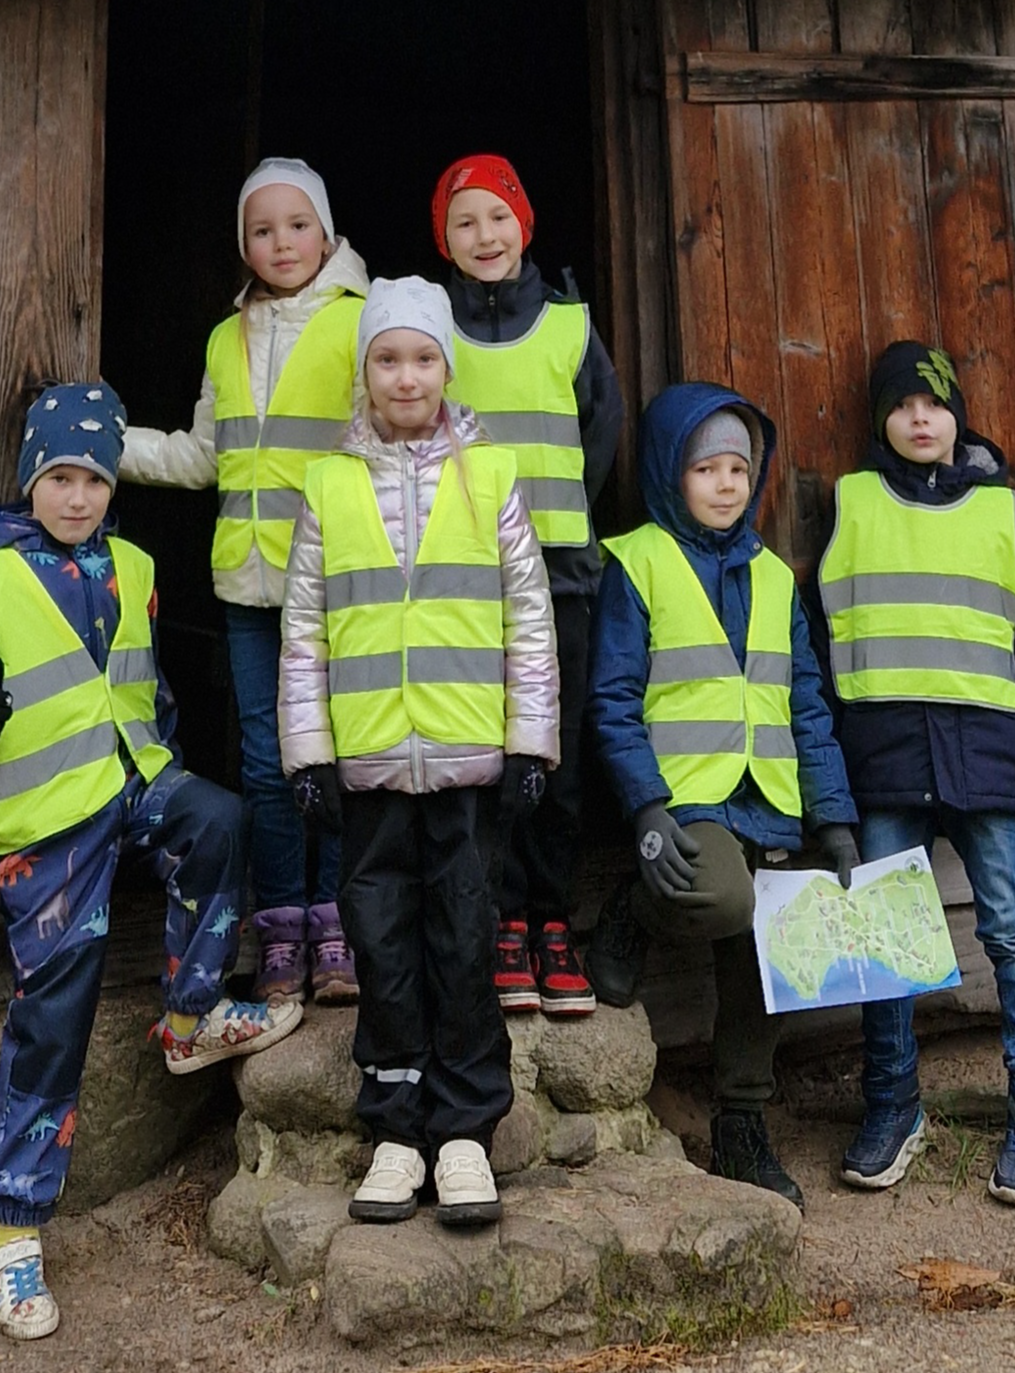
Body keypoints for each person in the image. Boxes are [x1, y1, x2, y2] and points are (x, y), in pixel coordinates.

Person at [0, 383, 301, 1339]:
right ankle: (12, 1232)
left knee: (217, 818)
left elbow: (145, 683)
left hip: (134, 783)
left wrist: (163, 749)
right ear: (30, 482)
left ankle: (189, 1012)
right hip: (49, 822)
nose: (77, 495)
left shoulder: (134, 563)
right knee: (54, 1012)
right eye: (58, 477)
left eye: (91, 476)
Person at [278, 277, 559, 1228]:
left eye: (423, 358)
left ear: (447, 367)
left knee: (465, 938)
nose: (407, 377)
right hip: (368, 768)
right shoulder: (329, 483)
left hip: (470, 763)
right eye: (388, 359)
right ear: (364, 373)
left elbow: (530, 615)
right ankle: (397, 1129)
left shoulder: (492, 474)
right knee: (382, 943)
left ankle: (466, 1132)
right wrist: (308, 752)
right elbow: (303, 628)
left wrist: (531, 740)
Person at [818, 341, 1015, 1206]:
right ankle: (892, 1104)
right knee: (888, 944)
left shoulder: (1000, 512)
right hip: (886, 756)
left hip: (984, 757)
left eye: (933, 404)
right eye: (901, 406)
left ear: (957, 414)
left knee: (1008, 930)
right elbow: (816, 645)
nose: (919, 419)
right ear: (882, 421)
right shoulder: (849, 504)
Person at [580, 383, 858, 1212]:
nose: (728, 482)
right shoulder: (637, 561)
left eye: (740, 466)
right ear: (672, 472)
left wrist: (835, 819)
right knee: (725, 895)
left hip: (768, 797)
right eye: (707, 466)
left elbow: (806, 702)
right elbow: (612, 698)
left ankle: (741, 1120)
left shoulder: (775, 576)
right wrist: (643, 810)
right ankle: (635, 909)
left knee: (764, 953)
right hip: (685, 799)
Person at [119, 157, 368, 1005]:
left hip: (339, 580)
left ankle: (337, 923)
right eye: (261, 231)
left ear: (326, 231)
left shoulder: (362, 322)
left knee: (335, 752)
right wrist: (104, 444)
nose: (281, 242)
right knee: (265, 762)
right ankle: (282, 926)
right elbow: (202, 456)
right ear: (243, 245)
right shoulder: (226, 339)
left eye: (297, 225)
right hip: (248, 583)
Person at [434, 153, 624, 1019]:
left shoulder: (571, 327)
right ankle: (501, 919)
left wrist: (554, 528)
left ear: (525, 227)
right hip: (466, 585)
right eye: (464, 221)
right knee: (484, 753)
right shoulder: (431, 327)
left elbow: (601, 439)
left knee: (557, 755)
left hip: (561, 577)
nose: (484, 236)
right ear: (444, 237)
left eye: (497, 217)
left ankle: (553, 921)